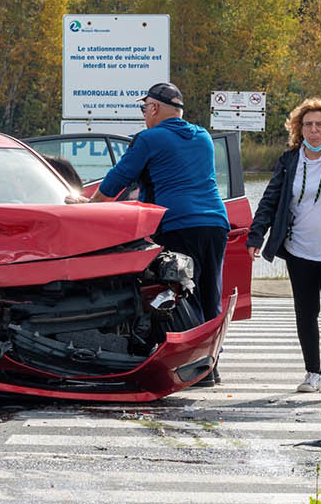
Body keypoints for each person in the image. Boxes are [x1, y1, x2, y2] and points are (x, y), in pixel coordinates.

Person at [89, 82, 230, 385]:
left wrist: (88, 208)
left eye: (144, 108)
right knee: (209, 293)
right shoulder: (203, 136)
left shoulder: (149, 139)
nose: (143, 114)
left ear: (153, 108)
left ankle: (194, 371)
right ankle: (212, 368)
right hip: (217, 223)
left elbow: (117, 180)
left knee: (180, 297)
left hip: (178, 223)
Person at [245, 98, 321, 395]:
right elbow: (270, 201)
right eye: (308, 125)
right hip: (299, 249)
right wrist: (256, 236)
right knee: (306, 312)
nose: (313, 130)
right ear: (299, 129)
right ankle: (312, 374)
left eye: (319, 125)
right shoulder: (290, 161)